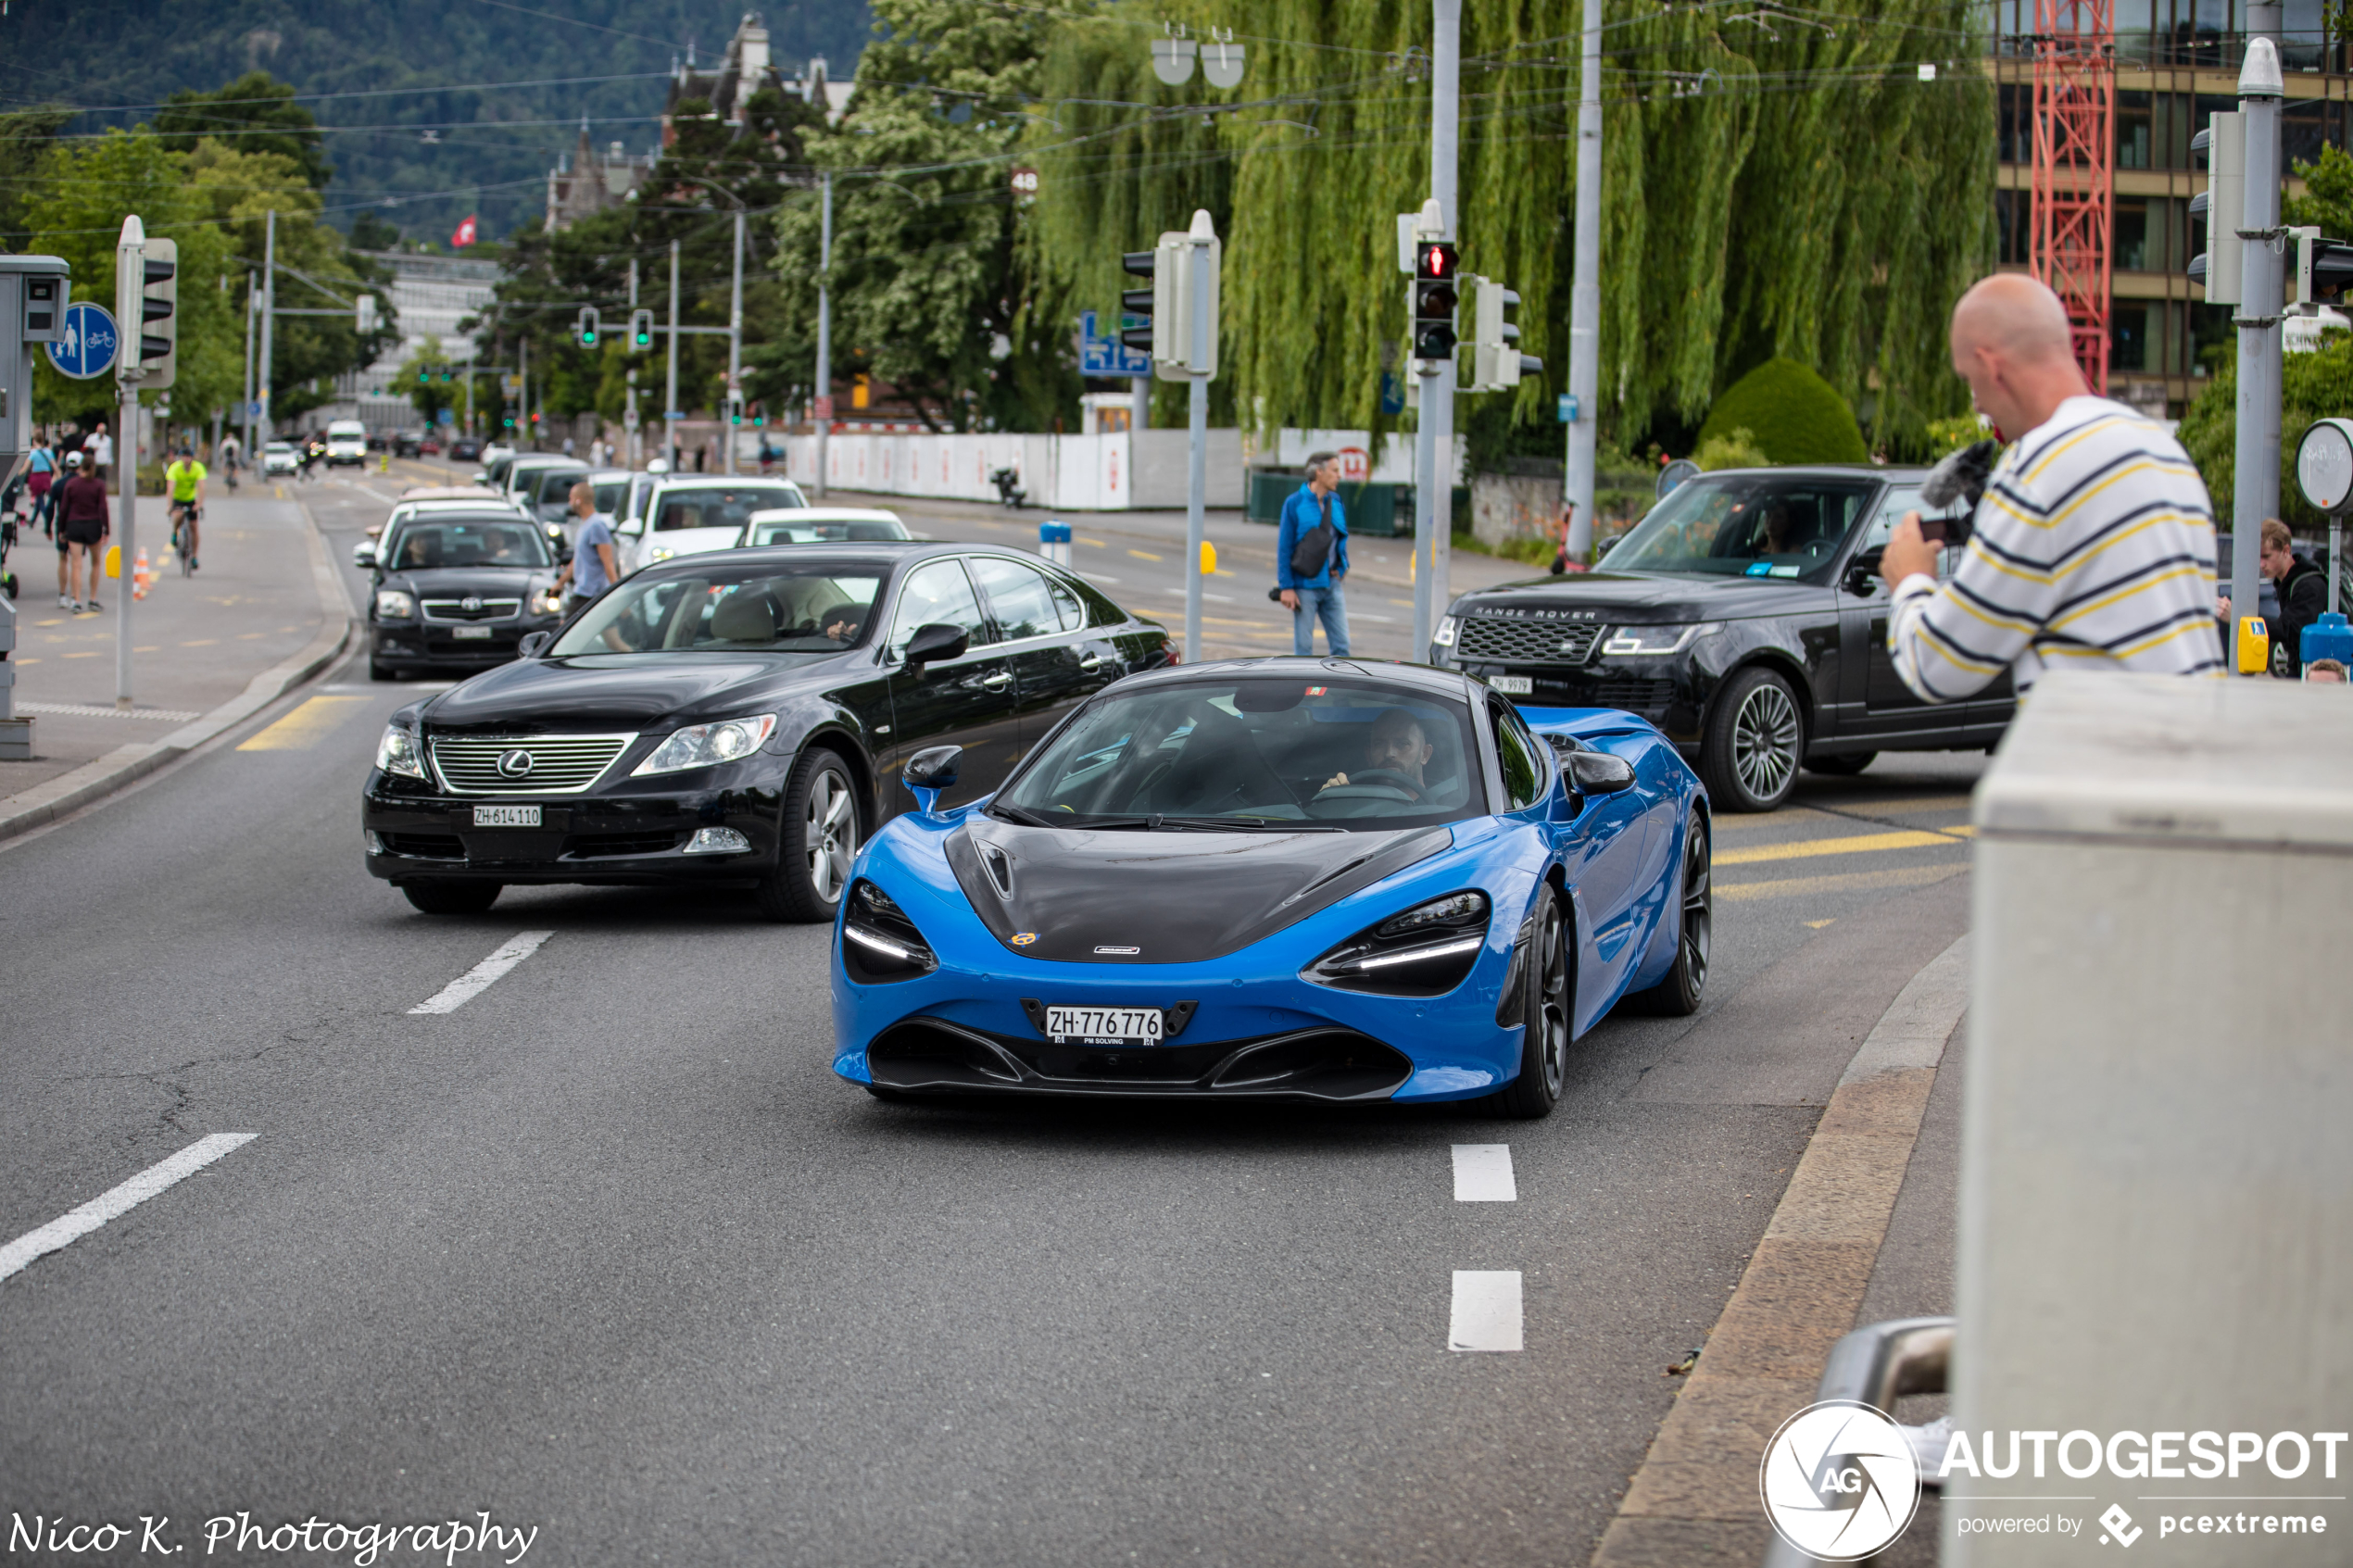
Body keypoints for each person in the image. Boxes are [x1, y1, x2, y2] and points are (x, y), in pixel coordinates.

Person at [1882, 273, 2223, 699]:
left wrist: (1911, 579)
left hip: (2101, 757)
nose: (1978, 405)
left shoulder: (2038, 471)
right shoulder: (2164, 451)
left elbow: (1939, 666)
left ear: (1992, 367)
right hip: (2191, 751)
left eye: (1970, 380)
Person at [2217, 519, 2327, 677]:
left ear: (2286, 550)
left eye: (2267, 556)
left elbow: (2288, 629)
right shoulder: (2290, 582)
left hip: (2314, 672)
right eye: (2259, 557)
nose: (2262, 564)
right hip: (2302, 667)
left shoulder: (2309, 585)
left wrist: (2239, 619)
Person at [1276, 450, 1352, 657]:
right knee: (1304, 649)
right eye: (1335, 470)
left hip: (1332, 585)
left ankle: (1341, 687)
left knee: (1342, 646)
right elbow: (1284, 548)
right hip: (1305, 587)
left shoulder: (1336, 502)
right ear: (1319, 472)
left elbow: (1341, 538)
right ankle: (1302, 688)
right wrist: (1286, 587)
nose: (1339, 475)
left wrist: (1343, 565)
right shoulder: (1294, 503)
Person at [1319, 709, 1436, 800]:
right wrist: (1329, 800)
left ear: (1425, 754)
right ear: (1368, 755)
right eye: (1379, 744)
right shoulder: (1351, 802)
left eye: (1402, 744)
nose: (1389, 753)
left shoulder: (1445, 810)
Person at [53, 449, 110, 612]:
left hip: (74, 525)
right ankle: (92, 598)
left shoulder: (71, 484)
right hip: (93, 525)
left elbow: (63, 508)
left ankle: (76, 600)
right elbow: (103, 508)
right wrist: (106, 529)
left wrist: (61, 529)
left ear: (80, 467)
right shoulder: (99, 484)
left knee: (76, 564)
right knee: (96, 563)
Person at [554, 480, 617, 613]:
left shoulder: (596, 525)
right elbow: (578, 560)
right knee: (609, 632)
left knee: (567, 630)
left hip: (590, 594)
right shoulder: (585, 524)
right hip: (585, 591)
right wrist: (561, 582)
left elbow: (608, 563)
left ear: (579, 500)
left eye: (571, 498)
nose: (569, 502)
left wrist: (617, 592)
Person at [165, 445, 207, 571]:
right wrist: (169, 505)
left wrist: (199, 504)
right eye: (184, 457)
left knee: (194, 528)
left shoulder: (198, 468)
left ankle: (194, 556)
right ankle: (174, 532)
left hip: (190, 499)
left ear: (192, 458)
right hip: (178, 499)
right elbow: (170, 488)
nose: (186, 459)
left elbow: (202, 487)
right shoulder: (175, 468)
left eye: (188, 457)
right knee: (178, 515)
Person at [86, 419, 112, 484]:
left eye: (103, 431)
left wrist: (110, 462)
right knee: (92, 479)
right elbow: (85, 448)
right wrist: (92, 449)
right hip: (94, 462)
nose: (101, 432)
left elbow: (109, 452)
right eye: (100, 430)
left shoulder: (108, 440)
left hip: (104, 463)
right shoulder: (91, 438)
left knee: (103, 480)